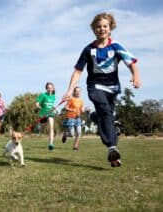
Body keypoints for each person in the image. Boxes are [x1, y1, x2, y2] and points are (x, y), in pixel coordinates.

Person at [62, 13, 141, 167]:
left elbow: (131, 63)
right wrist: (70, 90)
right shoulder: (88, 49)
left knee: (106, 117)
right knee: (105, 111)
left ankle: (94, 116)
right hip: (95, 86)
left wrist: (135, 76)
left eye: (105, 26)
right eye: (98, 26)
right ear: (94, 29)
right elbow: (78, 71)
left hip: (112, 89)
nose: (102, 29)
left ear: (110, 27)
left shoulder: (116, 46)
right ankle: (112, 147)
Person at [36, 82, 57, 150]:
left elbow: (52, 105)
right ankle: (38, 126)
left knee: (51, 127)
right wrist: (38, 106)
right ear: (46, 88)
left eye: (51, 88)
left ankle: (51, 144)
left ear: (53, 88)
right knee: (42, 128)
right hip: (43, 114)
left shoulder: (54, 96)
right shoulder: (43, 95)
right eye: (48, 88)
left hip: (50, 114)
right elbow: (37, 103)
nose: (50, 89)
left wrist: (55, 108)